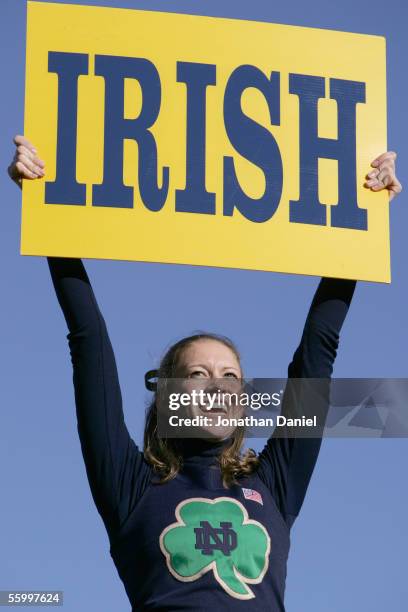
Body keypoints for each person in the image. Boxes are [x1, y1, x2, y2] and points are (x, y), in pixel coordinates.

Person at [8, 136, 402, 611]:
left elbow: (317, 354)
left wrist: (366, 212)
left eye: (231, 377)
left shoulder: (274, 484)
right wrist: (44, 206)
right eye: (197, 373)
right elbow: (88, 343)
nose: (217, 385)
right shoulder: (129, 486)